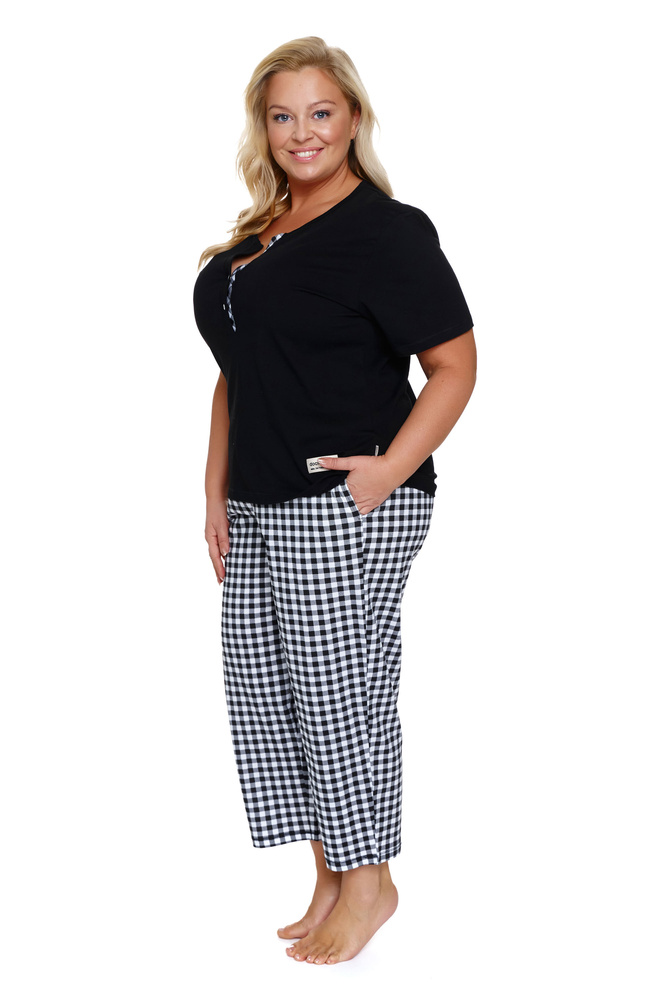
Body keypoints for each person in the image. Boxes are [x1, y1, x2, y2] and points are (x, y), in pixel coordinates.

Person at [193, 36, 477, 966]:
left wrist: (385, 473)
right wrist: (214, 492)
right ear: (263, 126)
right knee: (271, 692)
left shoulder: (385, 232)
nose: (301, 131)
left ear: (353, 117)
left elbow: (453, 364)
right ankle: (329, 872)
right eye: (282, 115)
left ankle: (371, 883)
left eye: (320, 112)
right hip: (259, 499)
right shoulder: (261, 233)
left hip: (341, 500)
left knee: (339, 693)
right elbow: (239, 372)